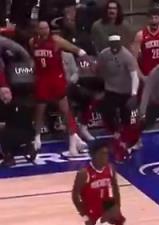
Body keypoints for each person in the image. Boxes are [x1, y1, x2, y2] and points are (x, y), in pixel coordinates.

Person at [30, 20, 87, 156]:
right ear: (37, 30)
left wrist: (83, 54)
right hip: (42, 79)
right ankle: (37, 138)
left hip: (56, 78)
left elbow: (74, 48)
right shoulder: (32, 42)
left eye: (46, 28)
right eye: (41, 28)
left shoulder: (56, 40)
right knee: (40, 109)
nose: (44, 30)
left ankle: (73, 141)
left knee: (65, 110)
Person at [96, 34, 140, 161]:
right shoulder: (104, 54)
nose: (115, 47)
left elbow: (134, 76)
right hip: (111, 89)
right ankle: (116, 134)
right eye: (112, 44)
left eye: (117, 44)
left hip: (126, 91)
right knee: (107, 113)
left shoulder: (127, 56)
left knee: (127, 118)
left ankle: (127, 142)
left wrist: (134, 94)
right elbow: (99, 68)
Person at [132, 4, 159, 78]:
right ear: (148, 19)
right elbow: (134, 59)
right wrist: (141, 77)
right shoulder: (140, 35)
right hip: (147, 74)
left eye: (156, 18)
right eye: (151, 18)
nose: (154, 21)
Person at [0, 86, 35, 167]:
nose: (4, 96)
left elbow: (18, 123)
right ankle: (28, 149)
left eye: (6, 93)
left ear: (11, 94)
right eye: (1, 94)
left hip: (23, 131)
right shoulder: (2, 106)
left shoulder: (17, 105)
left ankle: (9, 157)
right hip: (16, 132)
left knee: (5, 133)